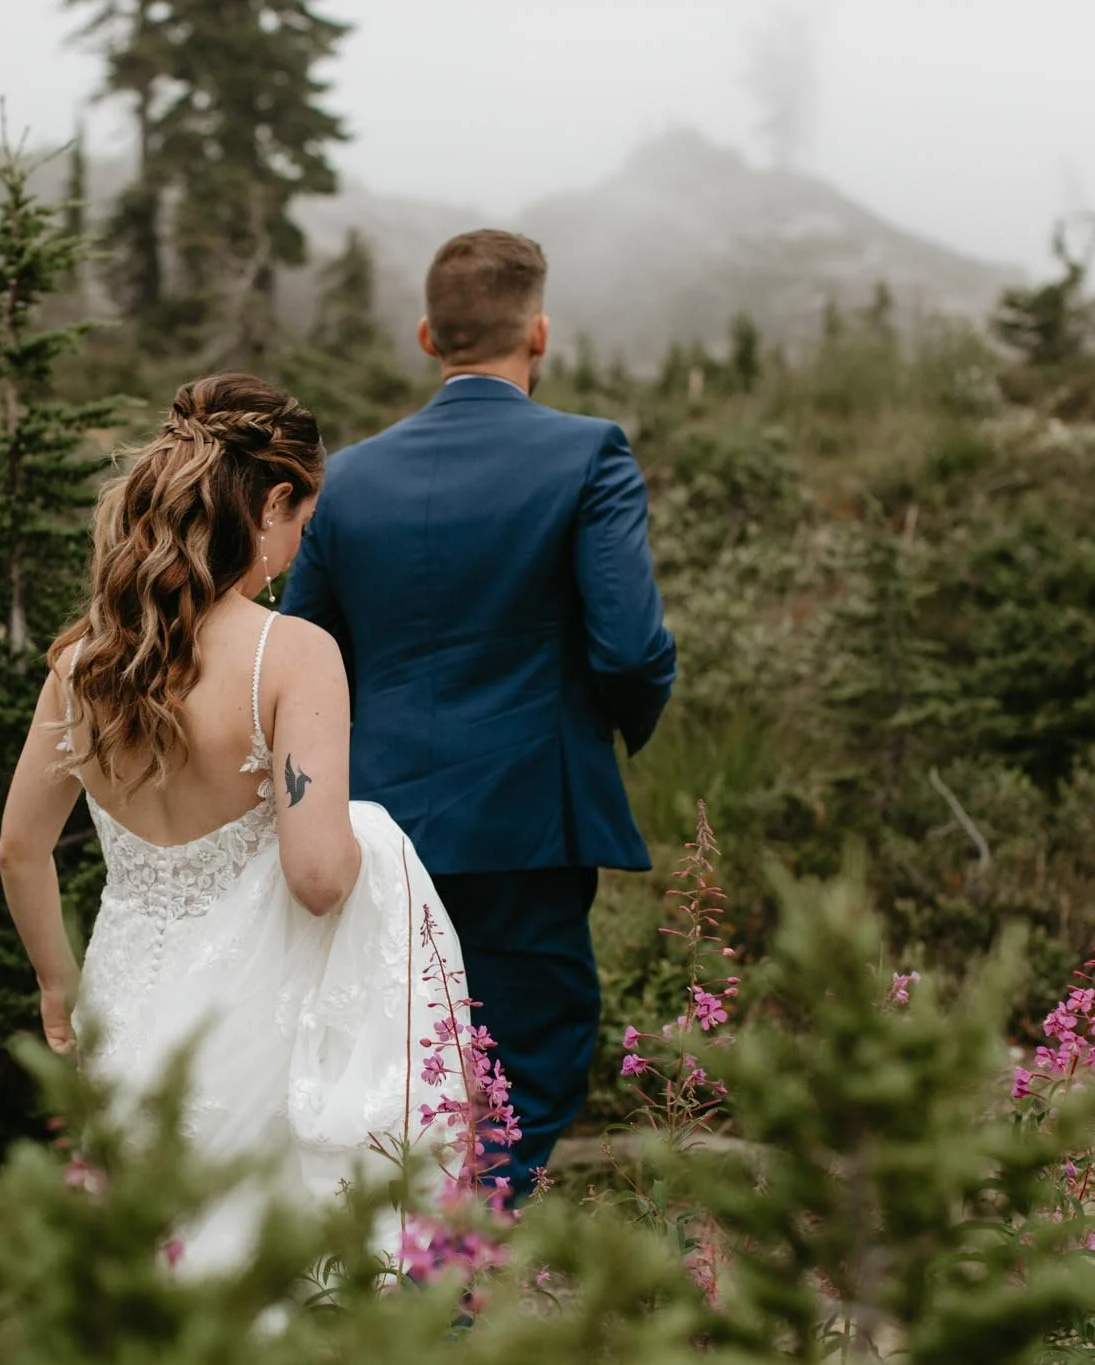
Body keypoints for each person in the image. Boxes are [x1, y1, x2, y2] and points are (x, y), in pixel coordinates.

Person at [0, 373, 473, 1276]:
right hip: (255, 1021)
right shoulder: (293, 654)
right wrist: (372, 835)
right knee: (257, 1269)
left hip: (122, 1003)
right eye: (302, 522)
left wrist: (58, 986)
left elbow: (20, 849)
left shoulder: (82, 664)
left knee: (146, 1259)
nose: (299, 546)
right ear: (272, 503)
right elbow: (319, 877)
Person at [282, 229, 678, 1197]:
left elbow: (299, 651)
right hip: (527, 819)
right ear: (537, 332)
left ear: (427, 335)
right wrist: (606, 730)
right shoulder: (588, 454)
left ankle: (403, 1254)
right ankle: (462, 1258)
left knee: (394, 1055)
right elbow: (630, 650)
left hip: (372, 825)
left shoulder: (347, 480)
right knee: (531, 1054)